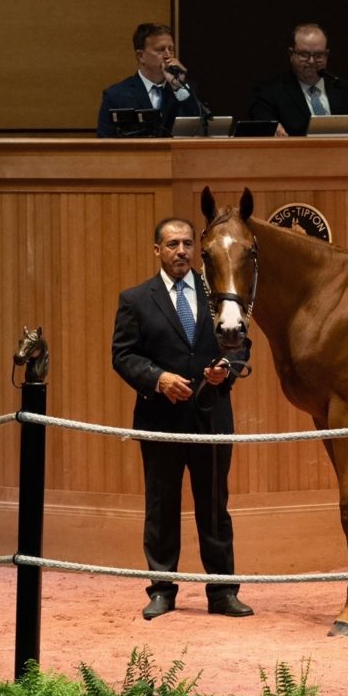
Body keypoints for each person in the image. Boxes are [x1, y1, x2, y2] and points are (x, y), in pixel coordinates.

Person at [111, 216, 253, 620]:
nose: (182, 251)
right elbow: (123, 356)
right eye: (172, 244)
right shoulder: (136, 299)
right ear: (157, 250)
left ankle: (223, 592)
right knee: (161, 506)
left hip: (211, 418)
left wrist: (227, 368)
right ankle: (162, 590)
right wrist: (158, 379)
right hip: (161, 419)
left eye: (188, 244)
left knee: (214, 506)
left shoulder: (219, 295)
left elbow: (241, 343)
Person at [248, 21, 348, 137]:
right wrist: (272, 129)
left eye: (318, 55)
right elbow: (263, 124)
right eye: (304, 54)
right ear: (291, 53)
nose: (312, 61)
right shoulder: (270, 93)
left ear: (326, 55)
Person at [96, 22, 202, 137]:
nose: (168, 55)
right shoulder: (116, 95)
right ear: (140, 56)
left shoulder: (185, 90)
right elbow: (104, 142)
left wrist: (178, 87)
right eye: (160, 50)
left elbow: (201, 127)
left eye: (171, 49)